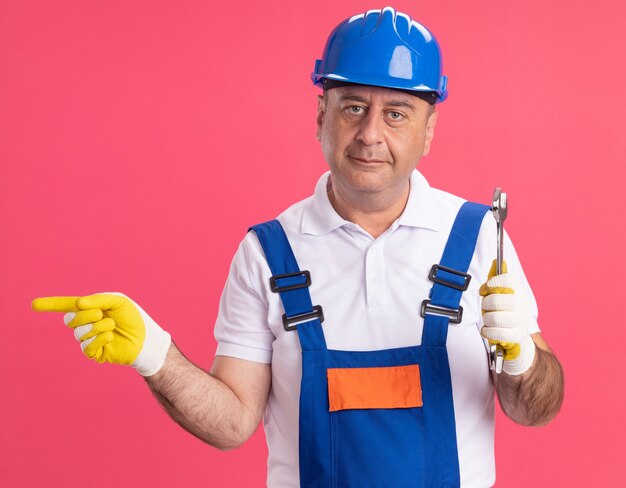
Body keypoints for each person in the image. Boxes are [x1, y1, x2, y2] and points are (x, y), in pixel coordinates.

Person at [32, 6, 564, 487]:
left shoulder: (477, 240)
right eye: (353, 107)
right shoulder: (268, 253)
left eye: (397, 113)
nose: (371, 135)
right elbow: (234, 421)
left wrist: (520, 360)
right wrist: (155, 353)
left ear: (428, 132)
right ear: (321, 117)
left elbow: (533, 411)